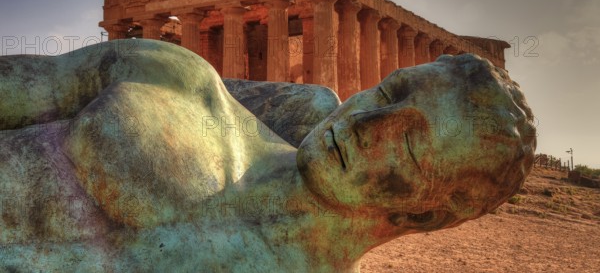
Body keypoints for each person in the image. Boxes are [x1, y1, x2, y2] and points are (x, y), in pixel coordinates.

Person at [0, 39, 536, 272]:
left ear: (428, 213)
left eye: (409, 143)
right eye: (389, 92)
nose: (366, 123)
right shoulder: (179, 81)